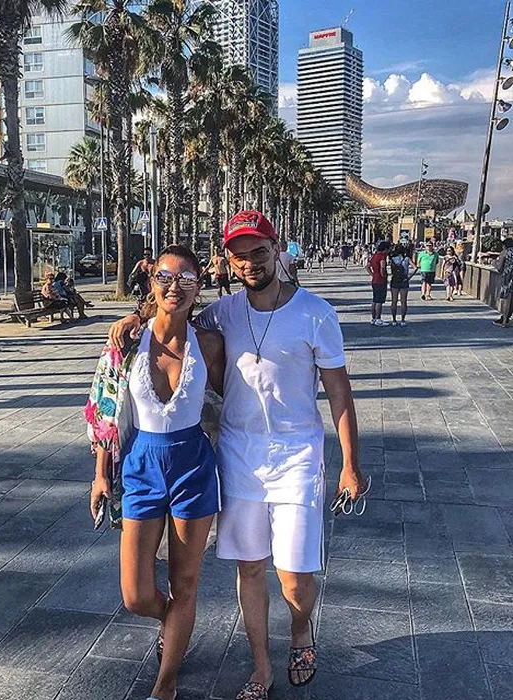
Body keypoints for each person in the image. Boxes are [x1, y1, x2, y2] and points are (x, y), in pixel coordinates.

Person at [109, 211, 366, 698]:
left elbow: (339, 392)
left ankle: (300, 631)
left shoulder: (316, 313)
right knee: (249, 568)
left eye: (259, 252)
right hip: (238, 457)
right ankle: (261, 668)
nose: (250, 263)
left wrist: (350, 464)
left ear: (276, 249)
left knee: (293, 580)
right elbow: (173, 314)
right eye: (239, 256)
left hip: (297, 457)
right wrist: (135, 318)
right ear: (227, 261)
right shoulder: (223, 313)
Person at [85, 245, 225, 700]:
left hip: (193, 468)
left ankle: (165, 684)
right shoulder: (127, 340)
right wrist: (101, 474)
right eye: (165, 276)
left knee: (185, 583)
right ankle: (173, 622)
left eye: (186, 279)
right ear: (152, 281)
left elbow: (236, 400)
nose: (174, 286)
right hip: (141, 466)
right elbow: (105, 409)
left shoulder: (210, 343)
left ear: (199, 286)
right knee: (136, 595)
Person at [389, 243, 414, 326]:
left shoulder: (392, 259)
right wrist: (409, 277)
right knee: (403, 301)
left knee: (394, 301)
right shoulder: (406, 259)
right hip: (404, 281)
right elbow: (415, 267)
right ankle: (403, 320)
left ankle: (394, 320)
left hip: (394, 280)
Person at [367, 241, 389, 325]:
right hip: (381, 280)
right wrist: (383, 274)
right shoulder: (382, 256)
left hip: (375, 279)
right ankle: (378, 318)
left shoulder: (374, 255)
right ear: (385, 249)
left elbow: (367, 266)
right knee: (380, 300)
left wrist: (372, 274)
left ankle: (373, 318)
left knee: (375, 300)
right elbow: (382, 267)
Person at [493, 238, 513, 327]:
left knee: (507, 300)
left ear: (504, 246)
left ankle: (504, 321)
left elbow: (499, 267)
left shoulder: (504, 252)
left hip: (508, 277)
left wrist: (494, 263)